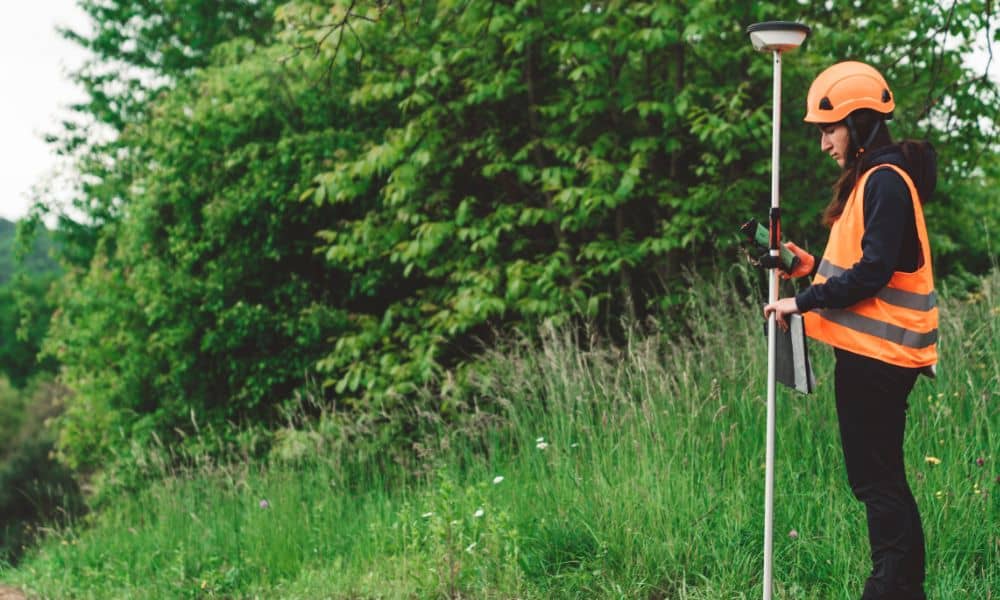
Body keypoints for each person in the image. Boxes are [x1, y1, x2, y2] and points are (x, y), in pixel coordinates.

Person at [763, 61, 939, 600]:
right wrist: (802, 266)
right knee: (876, 477)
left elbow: (874, 273)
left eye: (829, 128)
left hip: (881, 358)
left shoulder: (885, 181)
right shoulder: (873, 182)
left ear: (860, 124)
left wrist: (803, 301)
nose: (823, 143)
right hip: (871, 356)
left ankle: (893, 587)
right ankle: (897, 585)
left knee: (877, 479)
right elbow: (853, 268)